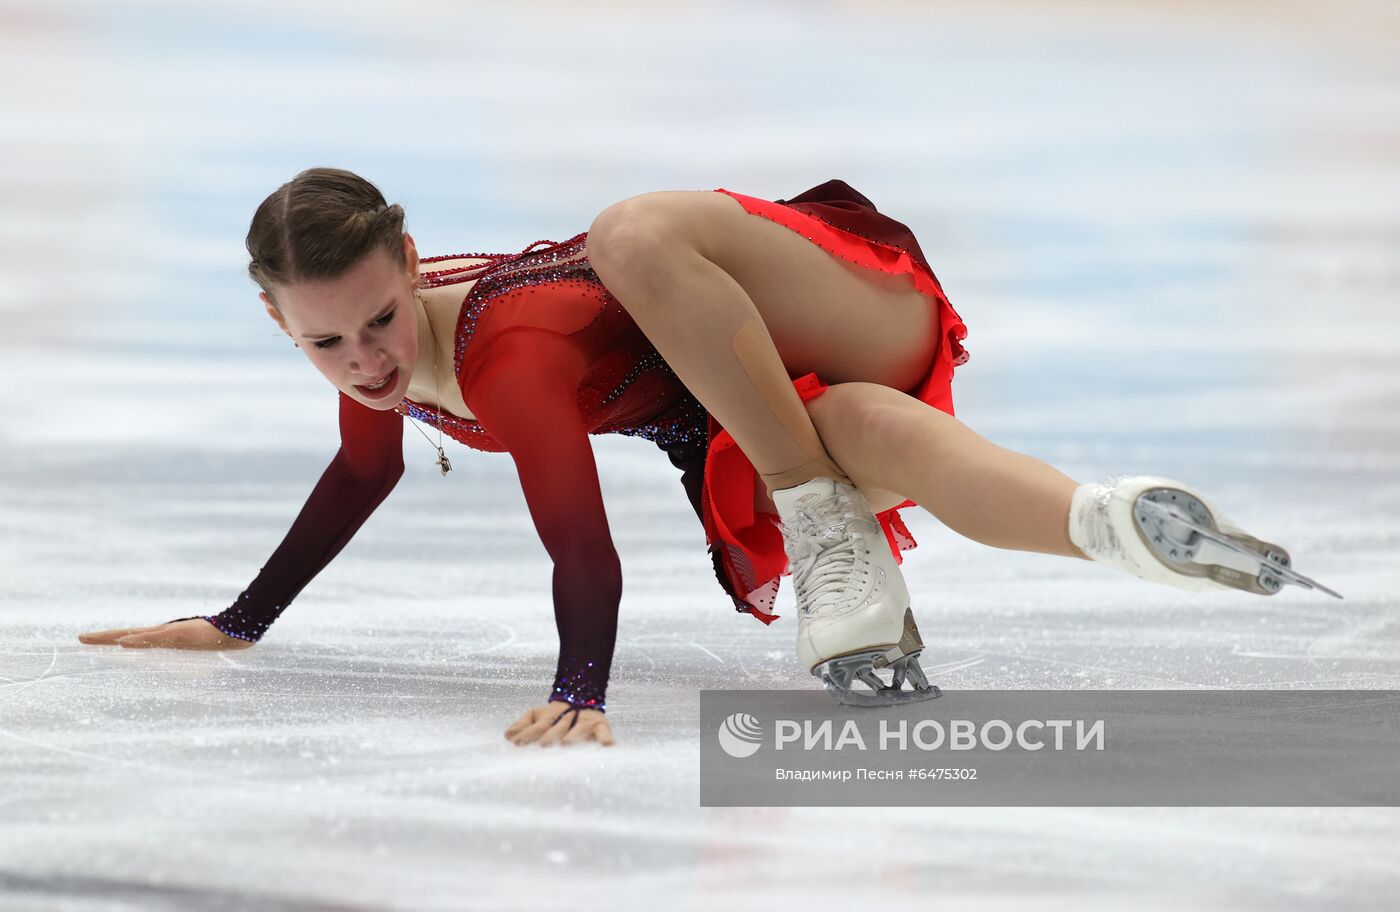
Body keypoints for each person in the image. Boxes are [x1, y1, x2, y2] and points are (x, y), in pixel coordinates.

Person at [78, 168, 1339, 746]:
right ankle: (1113, 523)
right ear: (274, 319)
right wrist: (239, 621)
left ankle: (819, 515)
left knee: (628, 232)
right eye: (325, 342)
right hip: (757, 415)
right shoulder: (382, 357)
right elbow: (366, 470)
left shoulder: (506, 359)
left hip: (825, 301)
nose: (361, 360)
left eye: (377, 319)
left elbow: (579, 539)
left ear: (411, 265)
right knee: (871, 436)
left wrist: (582, 692)